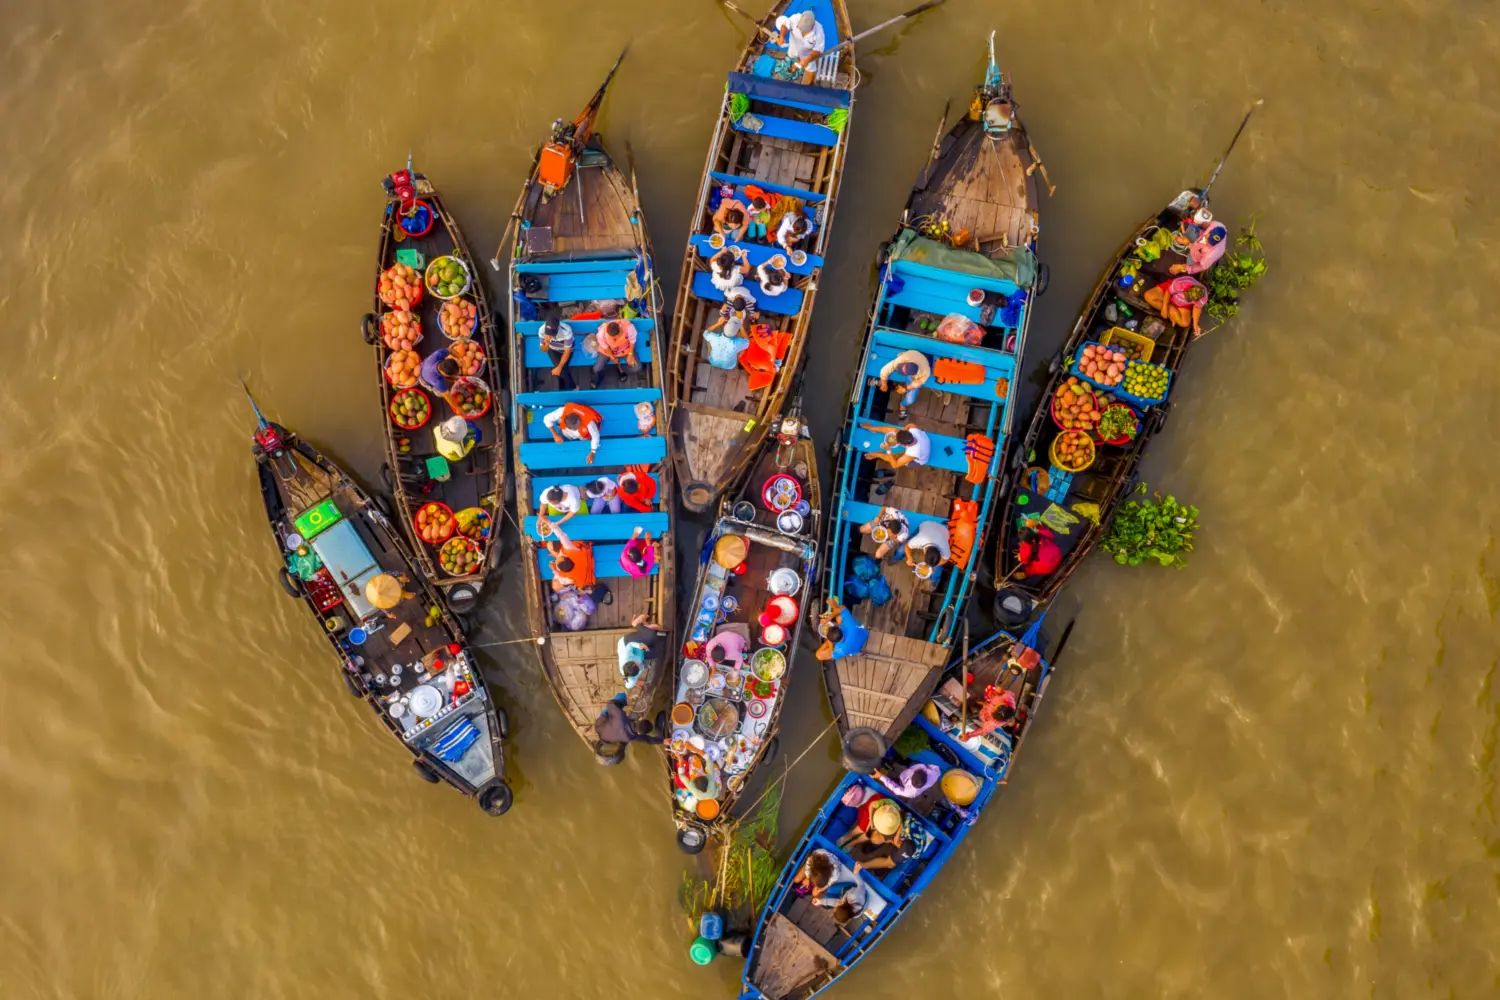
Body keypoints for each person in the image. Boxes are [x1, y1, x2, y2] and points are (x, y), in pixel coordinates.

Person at [540, 518, 595, 594]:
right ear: (566, 557)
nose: (558, 557)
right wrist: (548, 522)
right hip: (587, 558)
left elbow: (558, 582)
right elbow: (561, 535)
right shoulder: (570, 549)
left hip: (589, 570)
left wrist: (555, 570)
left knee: (555, 587)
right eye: (559, 558)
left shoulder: (567, 578)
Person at [1143, 274, 1208, 336]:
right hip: (1170, 294)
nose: (1186, 298)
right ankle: (1171, 311)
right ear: (1189, 288)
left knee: (1185, 323)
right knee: (1148, 296)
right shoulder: (1181, 283)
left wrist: (1195, 324)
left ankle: (1171, 311)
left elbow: (1197, 308)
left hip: (1182, 304)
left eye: (1190, 299)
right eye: (1187, 295)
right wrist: (1165, 307)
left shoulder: (1203, 298)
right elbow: (1168, 292)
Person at [773, 9, 825, 84]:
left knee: (810, 69)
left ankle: (810, 84)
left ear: (813, 26)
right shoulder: (795, 18)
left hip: (807, 54)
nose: (802, 32)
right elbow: (783, 23)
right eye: (801, 29)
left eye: (805, 31)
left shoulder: (819, 32)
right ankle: (796, 65)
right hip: (793, 47)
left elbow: (818, 50)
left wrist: (808, 59)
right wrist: (781, 36)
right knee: (792, 57)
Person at [1170, 210, 1229, 276]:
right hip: (1199, 238)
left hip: (1198, 256)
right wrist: (1185, 234)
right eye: (1208, 240)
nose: (1208, 243)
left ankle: (1189, 257)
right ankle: (1186, 235)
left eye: (1211, 244)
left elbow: (1202, 267)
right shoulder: (1217, 225)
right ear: (1209, 233)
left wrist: (1182, 267)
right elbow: (1204, 225)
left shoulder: (1211, 255)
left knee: (1188, 262)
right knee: (1187, 226)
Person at [594, 693, 664, 747]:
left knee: (622, 695)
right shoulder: (631, 737)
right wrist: (663, 741)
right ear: (639, 733)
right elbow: (648, 740)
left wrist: (623, 704)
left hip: (599, 726)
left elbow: (610, 703)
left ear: (640, 720)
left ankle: (625, 700)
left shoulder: (620, 716)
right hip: (605, 738)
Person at [877, 349, 931, 416]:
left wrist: (906, 388)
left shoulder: (926, 372)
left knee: (910, 399)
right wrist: (884, 384)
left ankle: (902, 405)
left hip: (917, 374)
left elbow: (917, 383)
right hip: (913, 355)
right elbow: (885, 370)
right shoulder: (904, 358)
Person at [860, 421, 931, 470]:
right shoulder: (913, 430)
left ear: (903, 445)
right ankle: (873, 428)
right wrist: (902, 432)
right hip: (923, 444)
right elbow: (910, 425)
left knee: (894, 458)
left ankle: (878, 454)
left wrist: (888, 450)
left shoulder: (912, 453)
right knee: (895, 430)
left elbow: (895, 465)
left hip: (918, 460)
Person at [703, 300, 753, 370]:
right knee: (742, 342)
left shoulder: (715, 338)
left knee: (709, 341)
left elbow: (706, 333)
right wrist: (741, 326)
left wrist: (718, 323)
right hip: (730, 365)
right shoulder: (736, 343)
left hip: (713, 361)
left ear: (724, 326)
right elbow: (747, 342)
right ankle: (738, 354)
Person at [815, 597, 868, 661]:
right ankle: (832, 603)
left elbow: (832, 655)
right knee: (839, 617)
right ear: (838, 628)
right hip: (863, 634)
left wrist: (829, 641)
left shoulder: (841, 649)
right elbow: (843, 608)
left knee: (818, 655)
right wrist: (828, 618)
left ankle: (832, 603)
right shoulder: (849, 625)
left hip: (855, 650)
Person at [592, 318, 640, 388]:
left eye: (619, 335)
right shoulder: (601, 334)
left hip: (625, 349)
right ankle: (599, 377)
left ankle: (620, 368)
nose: (617, 338)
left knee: (637, 368)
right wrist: (611, 357)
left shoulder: (628, 327)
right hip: (608, 350)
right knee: (597, 369)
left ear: (620, 328)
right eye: (614, 337)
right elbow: (605, 346)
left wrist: (630, 355)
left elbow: (632, 341)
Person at [538, 311, 575, 391]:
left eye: (552, 334)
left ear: (558, 327)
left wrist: (559, 367)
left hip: (566, 350)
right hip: (553, 350)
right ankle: (573, 388)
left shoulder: (566, 330)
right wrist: (547, 344)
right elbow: (543, 350)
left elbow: (567, 351)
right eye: (549, 333)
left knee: (561, 369)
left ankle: (571, 387)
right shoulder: (541, 330)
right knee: (562, 370)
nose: (550, 336)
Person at [875, 761, 941, 801]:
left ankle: (887, 772)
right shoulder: (932, 773)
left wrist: (881, 777)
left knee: (891, 782)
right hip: (911, 767)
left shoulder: (910, 793)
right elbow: (935, 768)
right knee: (911, 762)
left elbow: (894, 788)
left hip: (903, 783)